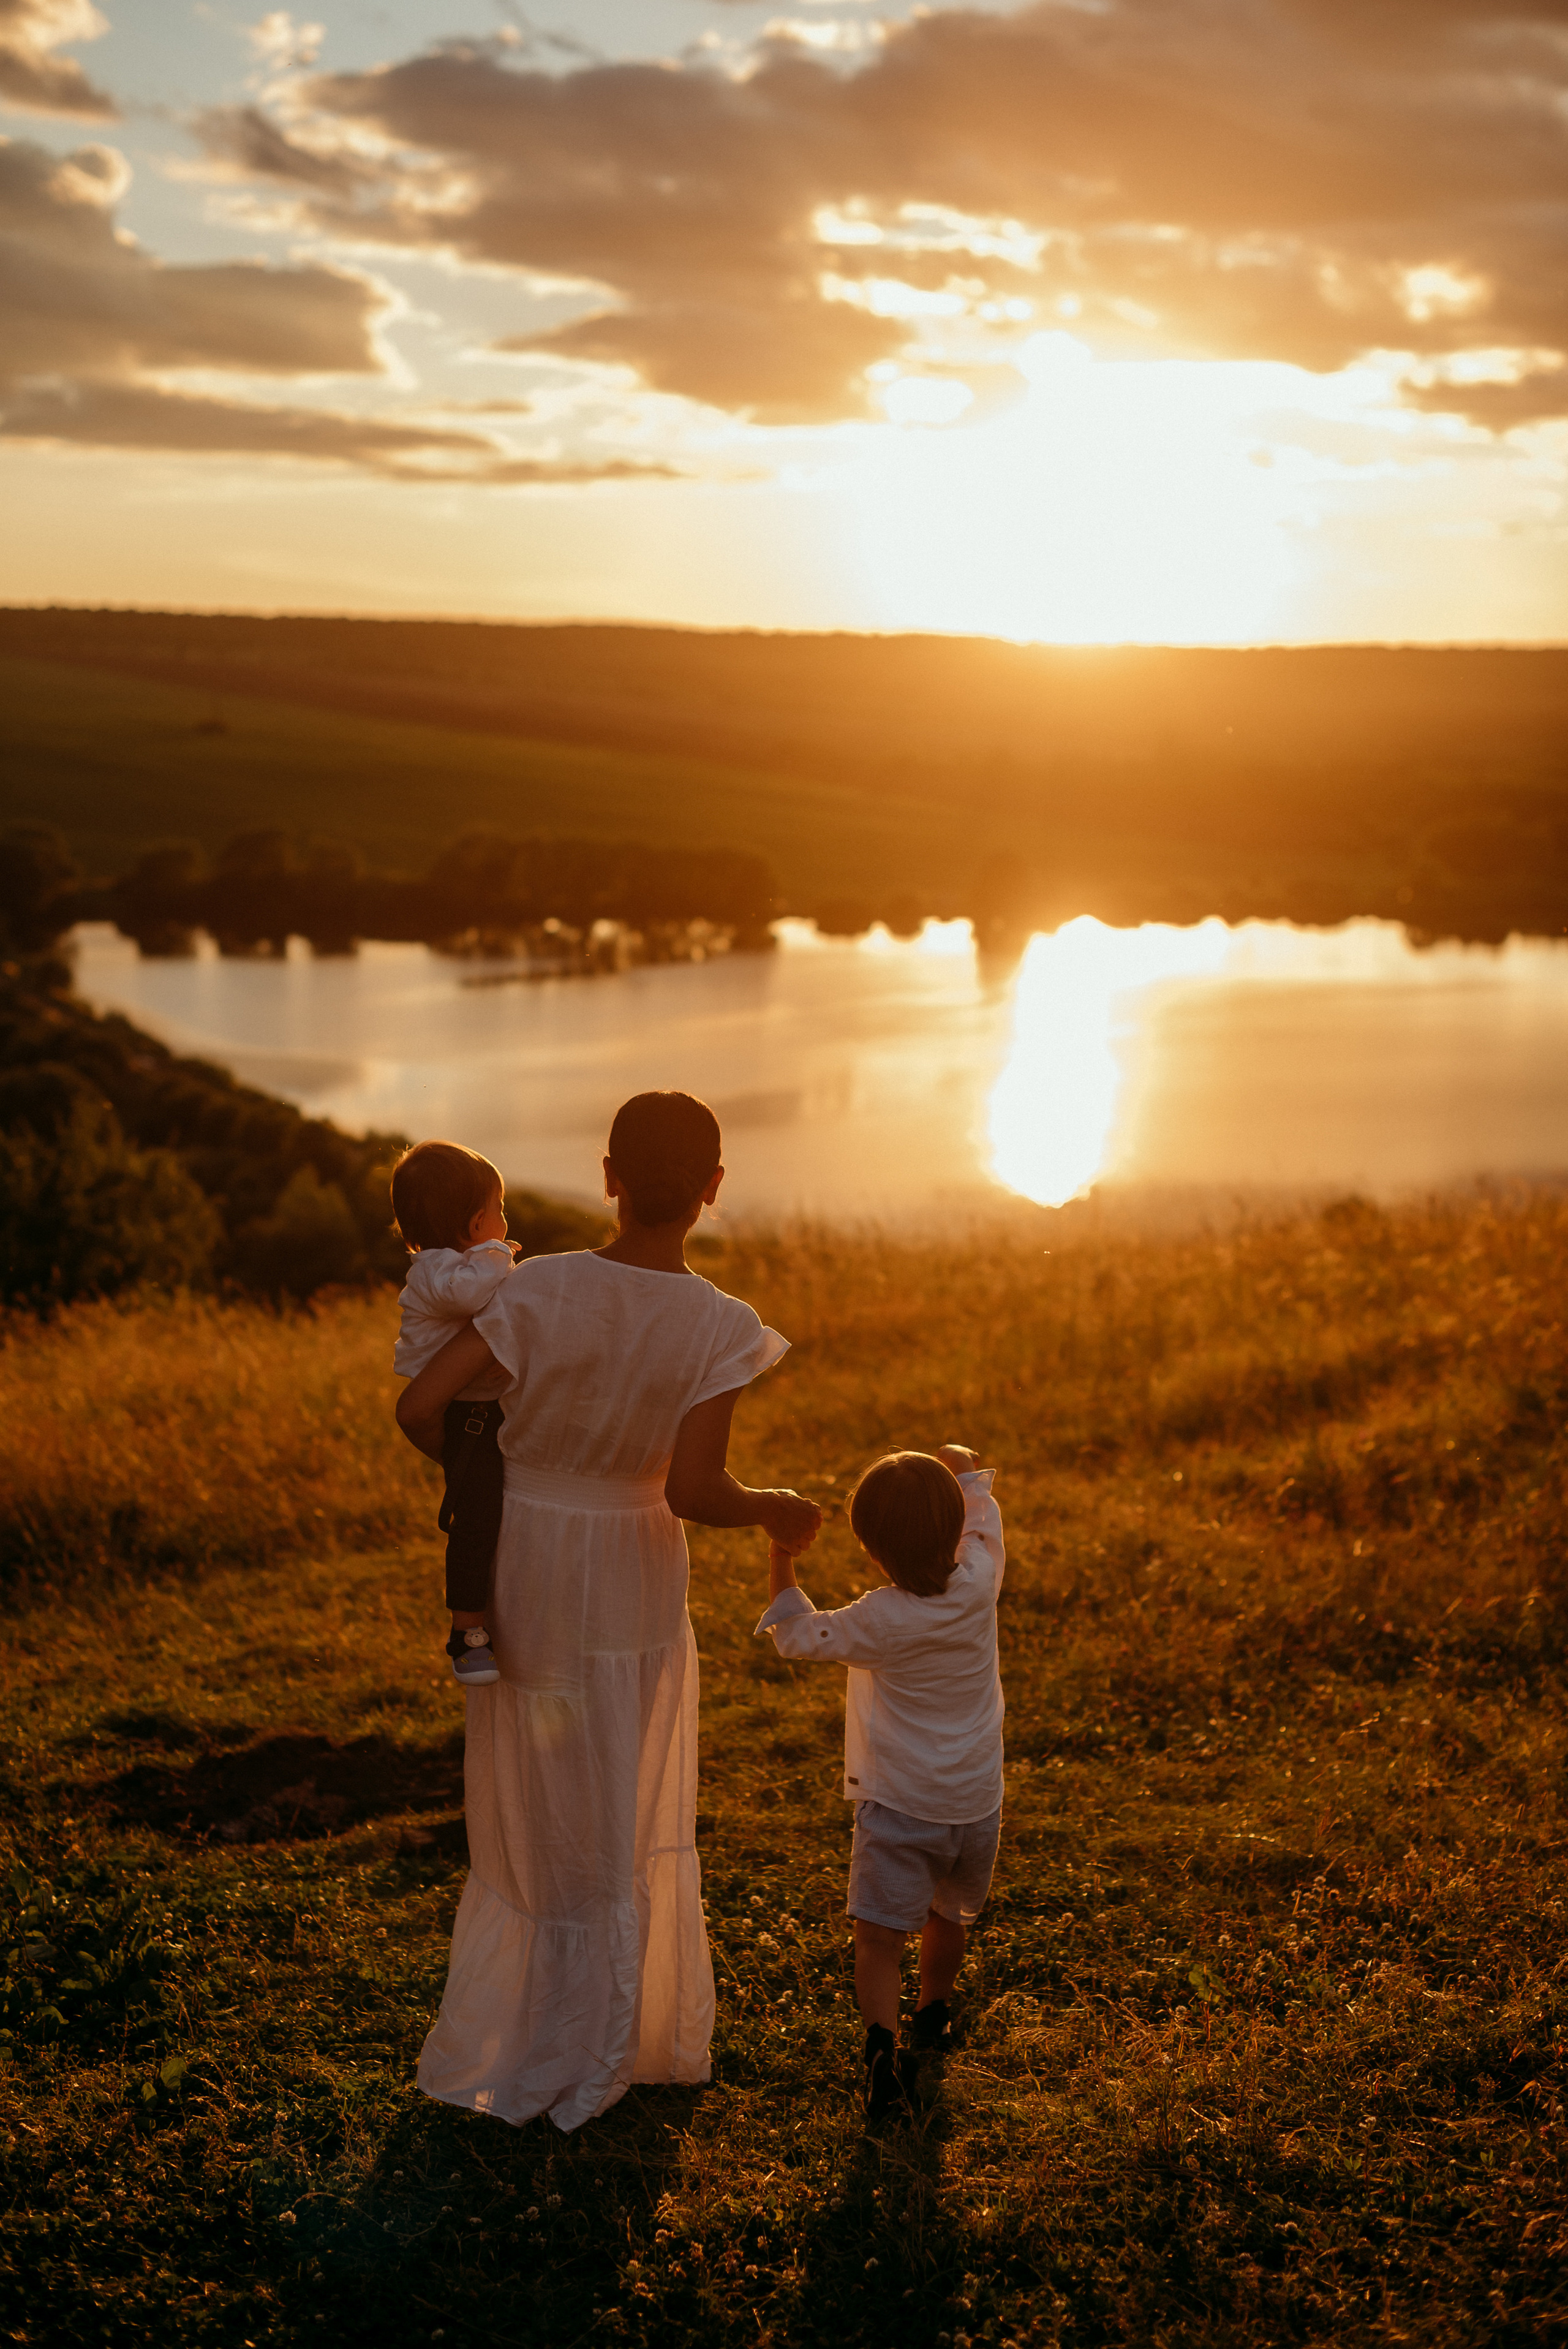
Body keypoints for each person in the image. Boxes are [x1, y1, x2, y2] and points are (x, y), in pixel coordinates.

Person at [394, 1090, 821, 2132]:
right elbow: (692, 1489)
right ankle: (621, 2027)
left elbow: (419, 1406)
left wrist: (495, 1473)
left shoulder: (538, 1290)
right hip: (634, 1560)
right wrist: (776, 1504)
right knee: (621, 1773)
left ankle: (529, 2022)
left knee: (538, 1782)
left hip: (530, 1554)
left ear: (608, 1177)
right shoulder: (718, 1323)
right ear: (714, 1188)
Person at [755, 1443, 1005, 2120]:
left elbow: (797, 1636)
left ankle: (879, 2051)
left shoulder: (878, 1618)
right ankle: (933, 2013)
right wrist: (966, 1474)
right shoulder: (981, 1578)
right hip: (975, 1802)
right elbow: (984, 1523)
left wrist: (782, 1554)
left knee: (878, 1938)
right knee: (946, 1913)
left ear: (869, 1547)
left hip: (901, 1805)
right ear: (953, 1524)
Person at [390, 1139, 519, 1687]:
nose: (506, 1224)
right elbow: (474, 1299)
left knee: (504, 1512)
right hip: (468, 1416)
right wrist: (500, 1256)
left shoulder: (459, 1263)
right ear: (472, 1226)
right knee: (477, 1522)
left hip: (486, 1408)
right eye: (498, 1212)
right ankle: (468, 1634)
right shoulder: (440, 1272)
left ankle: (505, 1614)